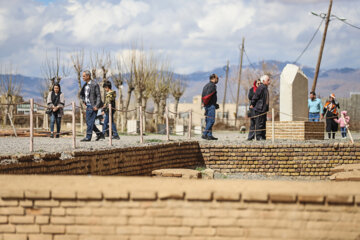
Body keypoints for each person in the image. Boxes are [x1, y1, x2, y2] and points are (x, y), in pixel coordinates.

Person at [79, 70, 104, 142]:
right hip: (88, 106)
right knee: (88, 122)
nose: (82, 77)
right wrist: (84, 100)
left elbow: (99, 96)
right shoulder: (85, 85)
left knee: (90, 122)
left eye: (84, 76)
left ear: (88, 76)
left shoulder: (95, 84)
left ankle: (88, 137)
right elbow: (82, 94)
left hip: (93, 106)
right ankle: (99, 134)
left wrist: (97, 106)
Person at [250, 74, 270, 141]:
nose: (269, 81)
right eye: (268, 80)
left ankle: (263, 136)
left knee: (263, 123)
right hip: (259, 109)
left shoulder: (265, 88)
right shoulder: (261, 87)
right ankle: (259, 137)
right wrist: (252, 104)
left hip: (264, 109)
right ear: (263, 81)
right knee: (259, 123)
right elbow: (255, 97)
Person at [201, 73, 219, 140]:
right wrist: (212, 104)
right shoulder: (212, 86)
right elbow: (208, 96)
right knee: (211, 121)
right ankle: (205, 134)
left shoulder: (206, 85)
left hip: (207, 105)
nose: (218, 80)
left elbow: (203, 96)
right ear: (213, 78)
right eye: (217, 78)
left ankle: (209, 135)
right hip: (210, 106)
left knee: (208, 121)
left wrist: (204, 103)